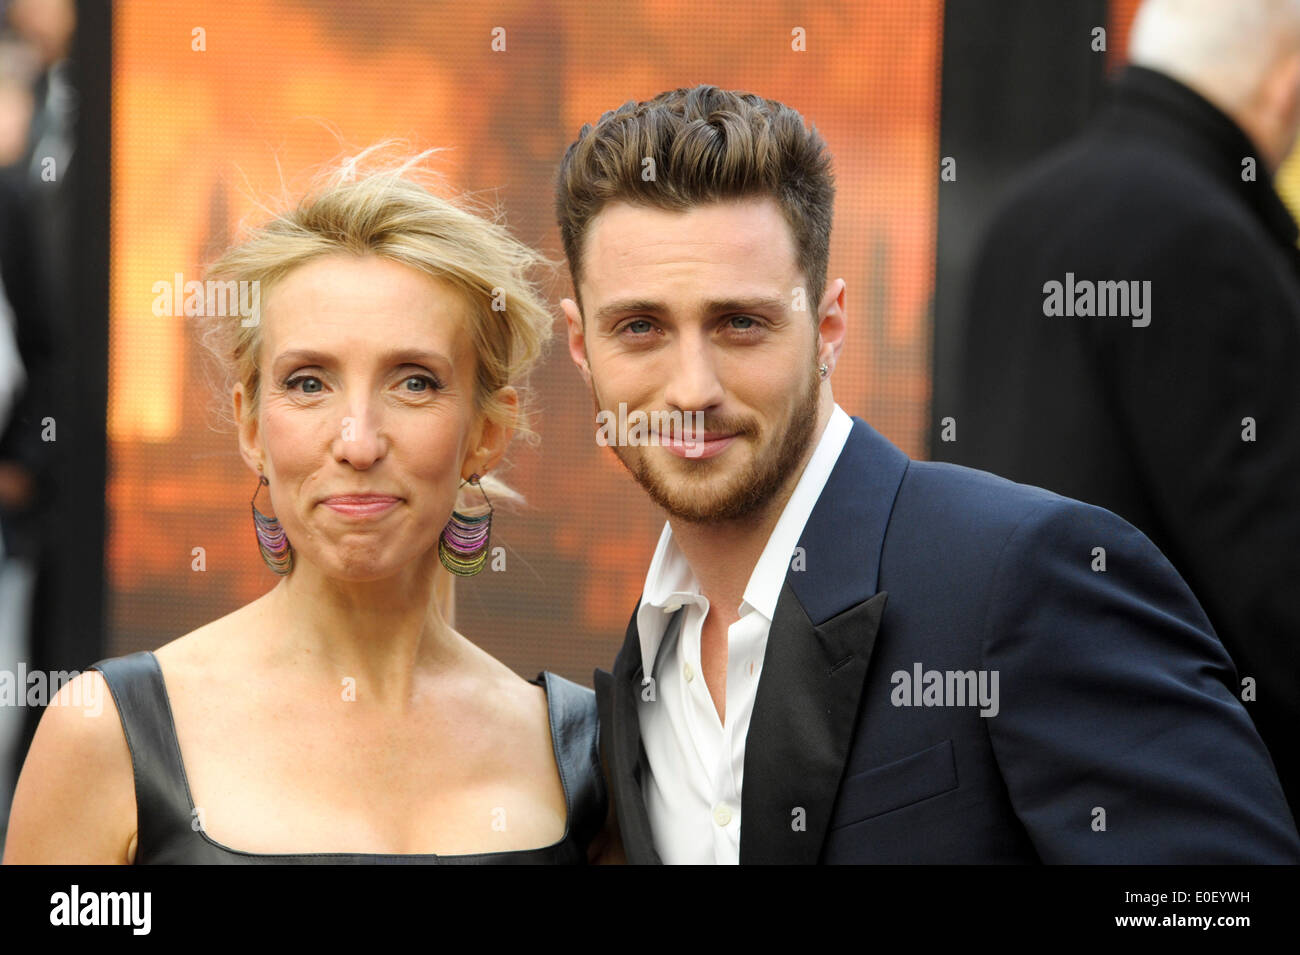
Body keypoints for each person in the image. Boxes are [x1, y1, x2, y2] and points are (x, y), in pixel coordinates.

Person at [554, 84, 1300, 863]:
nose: (692, 388)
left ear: (828, 328)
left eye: (741, 323)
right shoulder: (633, 681)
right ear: (581, 347)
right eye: (639, 328)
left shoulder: (1024, 572)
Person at [3, 147, 611, 864]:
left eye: (414, 382)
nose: (357, 442)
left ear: (486, 433)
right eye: (308, 382)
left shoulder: (579, 751)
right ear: (252, 426)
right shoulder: (107, 731)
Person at [939, 0, 1300, 818]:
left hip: (1025, 769)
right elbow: (1274, 585)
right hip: (1183, 801)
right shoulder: (1209, 238)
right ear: (1287, 84)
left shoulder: (1028, 209)